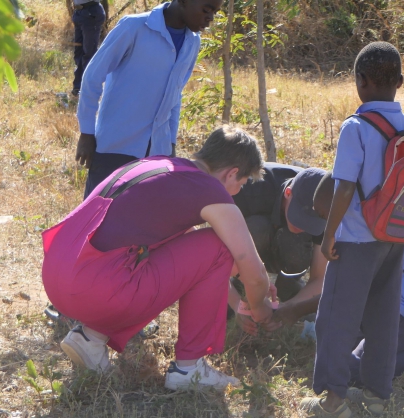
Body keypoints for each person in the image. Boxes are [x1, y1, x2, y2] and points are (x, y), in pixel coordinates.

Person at [41, 126, 277, 391]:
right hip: (97, 288)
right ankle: (189, 368)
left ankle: (90, 337)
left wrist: (237, 299)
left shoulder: (160, 165)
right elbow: (253, 272)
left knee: (198, 251)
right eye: (241, 184)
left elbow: (191, 263)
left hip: (58, 277)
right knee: (218, 245)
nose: (236, 192)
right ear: (232, 172)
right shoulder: (209, 189)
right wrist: (260, 305)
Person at [272, 172, 404, 388]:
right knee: (346, 345)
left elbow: (344, 295)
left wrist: (294, 309)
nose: (325, 225)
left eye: (324, 215)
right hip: (400, 304)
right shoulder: (371, 210)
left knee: (355, 369)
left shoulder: (361, 236)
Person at [299, 42, 404, 417]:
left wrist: (329, 234)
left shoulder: (356, 127)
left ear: (359, 82)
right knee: (383, 317)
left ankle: (333, 400)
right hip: (394, 238)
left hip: (357, 239)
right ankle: (379, 394)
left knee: (335, 319)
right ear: (399, 81)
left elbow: (344, 186)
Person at [75, 0, 223, 198]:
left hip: (156, 154)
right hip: (115, 145)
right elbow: (92, 77)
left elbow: (174, 96)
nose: (210, 18)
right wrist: (86, 132)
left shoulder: (192, 42)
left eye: (215, 12)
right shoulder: (134, 27)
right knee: (97, 218)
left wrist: (170, 144)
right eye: (207, 9)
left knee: (140, 221)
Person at [232, 164, 328, 302]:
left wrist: (289, 309)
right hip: (248, 250)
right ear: (288, 193)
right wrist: (247, 290)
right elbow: (220, 250)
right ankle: (241, 286)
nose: (303, 226)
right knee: (257, 228)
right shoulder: (250, 186)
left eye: (311, 223)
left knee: (296, 240)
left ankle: (289, 287)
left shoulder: (328, 207)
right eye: (300, 217)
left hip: (287, 251)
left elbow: (319, 278)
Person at [70, 0, 106, 97]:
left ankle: (90, 89)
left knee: (89, 54)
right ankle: (78, 87)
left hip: (91, 13)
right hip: (79, 12)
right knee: (78, 53)